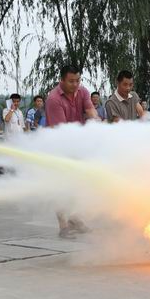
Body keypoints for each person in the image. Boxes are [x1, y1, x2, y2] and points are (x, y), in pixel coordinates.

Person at [45, 65, 99, 238]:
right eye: (71, 81)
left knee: (78, 185)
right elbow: (62, 132)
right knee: (61, 186)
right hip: (59, 147)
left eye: (78, 80)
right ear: (62, 80)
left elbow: (90, 110)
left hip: (78, 145)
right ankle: (63, 226)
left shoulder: (83, 92)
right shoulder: (54, 99)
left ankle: (75, 218)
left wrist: (97, 122)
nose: (75, 84)